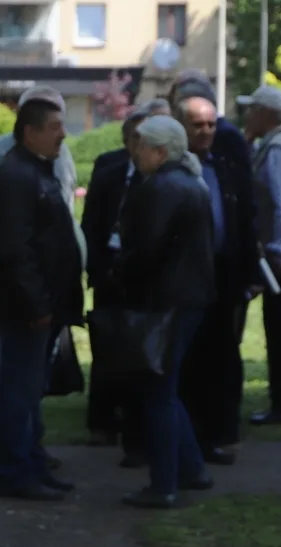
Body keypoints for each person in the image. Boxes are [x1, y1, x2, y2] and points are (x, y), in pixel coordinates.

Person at [0, 85, 81, 474]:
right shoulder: (6, 166)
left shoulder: (51, 160)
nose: (63, 133)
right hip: (16, 291)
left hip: (42, 290)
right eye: (54, 125)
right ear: (30, 128)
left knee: (31, 378)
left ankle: (29, 452)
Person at [117, 115, 215, 508]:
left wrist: (120, 271)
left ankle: (164, 484)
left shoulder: (159, 188)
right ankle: (191, 468)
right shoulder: (191, 182)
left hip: (165, 299)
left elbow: (148, 249)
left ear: (159, 151)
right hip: (189, 297)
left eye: (141, 146)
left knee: (158, 390)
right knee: (166, 387)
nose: (135, 152)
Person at [80, 99, 171, 466]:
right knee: (106, 350)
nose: (139, 145)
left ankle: (138, 438)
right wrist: (97, 270)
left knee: (141, 358)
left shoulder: (163, 179)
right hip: (110, 275)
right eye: (135, 137)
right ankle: (102, 422)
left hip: (144, 282)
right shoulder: (109, 172)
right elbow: (92, 225)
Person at [174, 93, 257, 466]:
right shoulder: (171, 169)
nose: (206, 132)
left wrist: (250, 273)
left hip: (223, 276)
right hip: (182, 280)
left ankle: (215, 436)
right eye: (197, 125)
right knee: (187, 360)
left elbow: (245, 219)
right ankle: (187, 442)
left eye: (211, 124)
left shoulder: (226, 165)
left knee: (220, 357)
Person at [240, 85, 281, 426]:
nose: (247, 115)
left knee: (278, 331)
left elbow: (280, 203)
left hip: (278, 260)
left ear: (268, 114)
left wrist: (275, 251)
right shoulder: (267, 145)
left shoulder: (276, 150)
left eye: (253, 109)